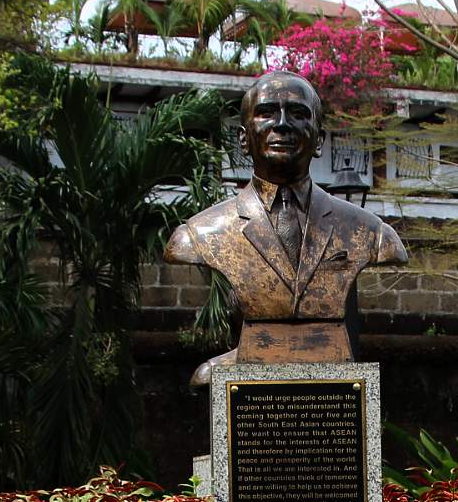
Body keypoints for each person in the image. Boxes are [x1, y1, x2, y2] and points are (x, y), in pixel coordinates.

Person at [164, 71, 407, 382]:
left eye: (297, 114)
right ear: (243, 138)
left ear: (319, 140)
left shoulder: (371, 233)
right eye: (266, 113)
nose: (281, 124)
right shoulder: (199, 234)